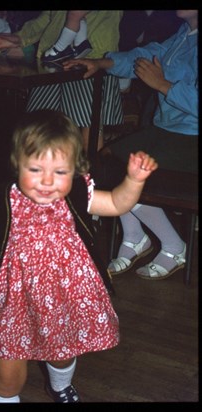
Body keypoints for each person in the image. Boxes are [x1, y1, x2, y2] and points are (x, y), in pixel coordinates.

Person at [0, 110, 158, 403]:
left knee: (62, 354)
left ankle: (60, 385)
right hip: (15, 299)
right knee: (7, 371)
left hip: (64, 295)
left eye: (59, 172)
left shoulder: (79, 194)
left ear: (75, 170)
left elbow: (118, 202)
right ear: (18, 165)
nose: (46, 182)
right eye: (35, 170)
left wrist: (134, 180)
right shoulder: (3, 199)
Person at [63, 10, 198, 280]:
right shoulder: (184, 35)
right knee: (106, 162)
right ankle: (135, 238)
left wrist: (163, 85)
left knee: (126, 170)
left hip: (192, 136)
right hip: (166, 130)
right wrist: (102, 63)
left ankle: (173, 246)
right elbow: (145, 55)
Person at [0, 11, 124, 151]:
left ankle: (93, 173)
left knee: (89, 138)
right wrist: (19, 38)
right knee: (38, 133)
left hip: (91, 61)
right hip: (52, 63)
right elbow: (48, 18)